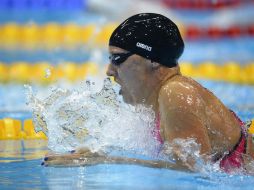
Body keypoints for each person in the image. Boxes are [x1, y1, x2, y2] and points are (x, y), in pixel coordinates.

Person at [43, 13, 254, 173]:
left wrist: (106, 161)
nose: (109, 71)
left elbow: (192, 172)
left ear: (152, 59)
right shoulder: (155, 102)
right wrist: (95, 152)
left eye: (118, 58)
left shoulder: (176, 93)